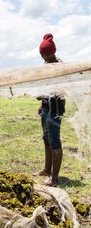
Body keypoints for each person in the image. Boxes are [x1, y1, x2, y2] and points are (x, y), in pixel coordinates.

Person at [35, 33, 65, 187]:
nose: (42, 57)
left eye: (44, 54)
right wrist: (42, 105)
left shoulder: (61, 66)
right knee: (46, 139)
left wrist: (45, 97)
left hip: (55, 111)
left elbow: (59, 90)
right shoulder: (47, 64)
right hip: (47, 108)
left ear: (51, 53)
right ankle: (47, 169)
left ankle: (54, 178)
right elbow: (47, 86)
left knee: (55, 142)